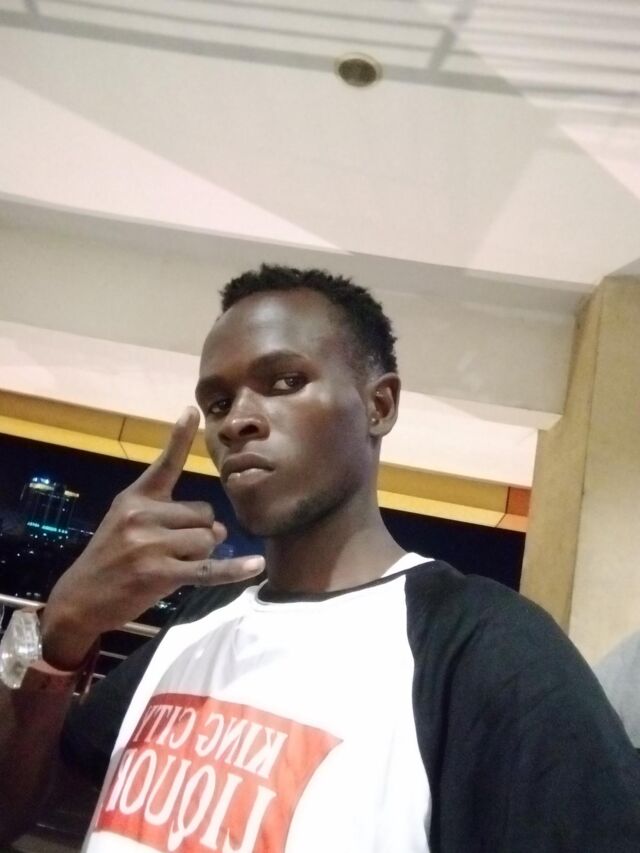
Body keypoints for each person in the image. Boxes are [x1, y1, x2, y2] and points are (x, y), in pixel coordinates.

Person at [1, 265, 639, 852]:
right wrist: (63, 627)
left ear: (379, 406)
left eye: (285, 382)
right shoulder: (199, 620)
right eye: (217, 403)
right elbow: (17, 807)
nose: (236, 421)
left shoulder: (481, 644)